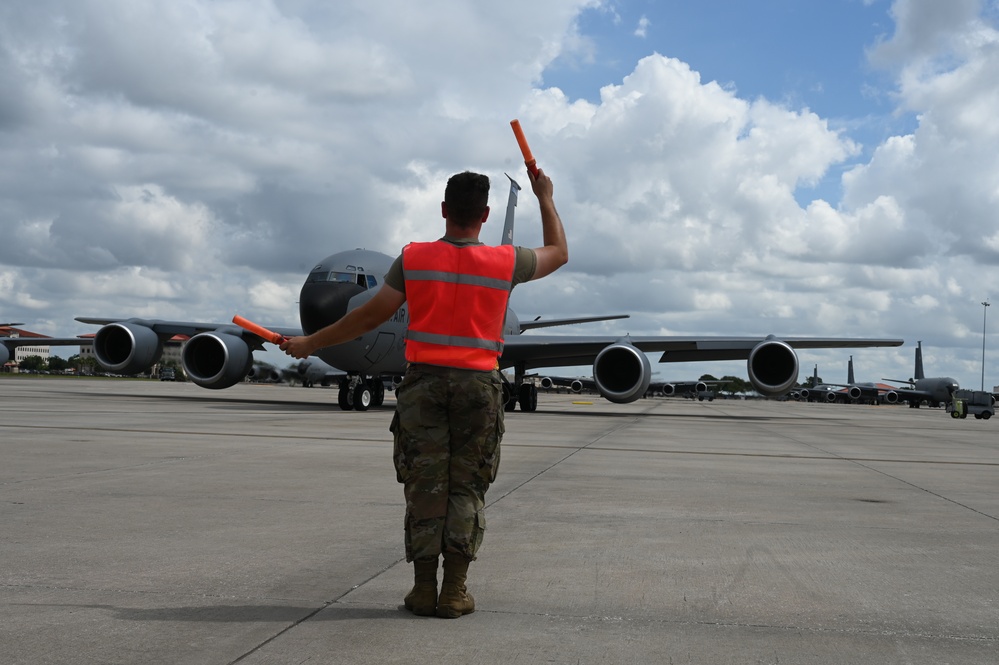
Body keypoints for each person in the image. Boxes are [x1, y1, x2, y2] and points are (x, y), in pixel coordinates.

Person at [280, 168, 568, 618]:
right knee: (467, 488)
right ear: (486, 215)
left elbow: (368, 317)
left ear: (443, 210)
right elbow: (559, 253)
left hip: (424, 386)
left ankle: (421, 589)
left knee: (424, 485)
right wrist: (545, 197)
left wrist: (310, 343)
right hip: (478, 388)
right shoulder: (505, 262)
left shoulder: (413, 259)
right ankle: (454, 592)